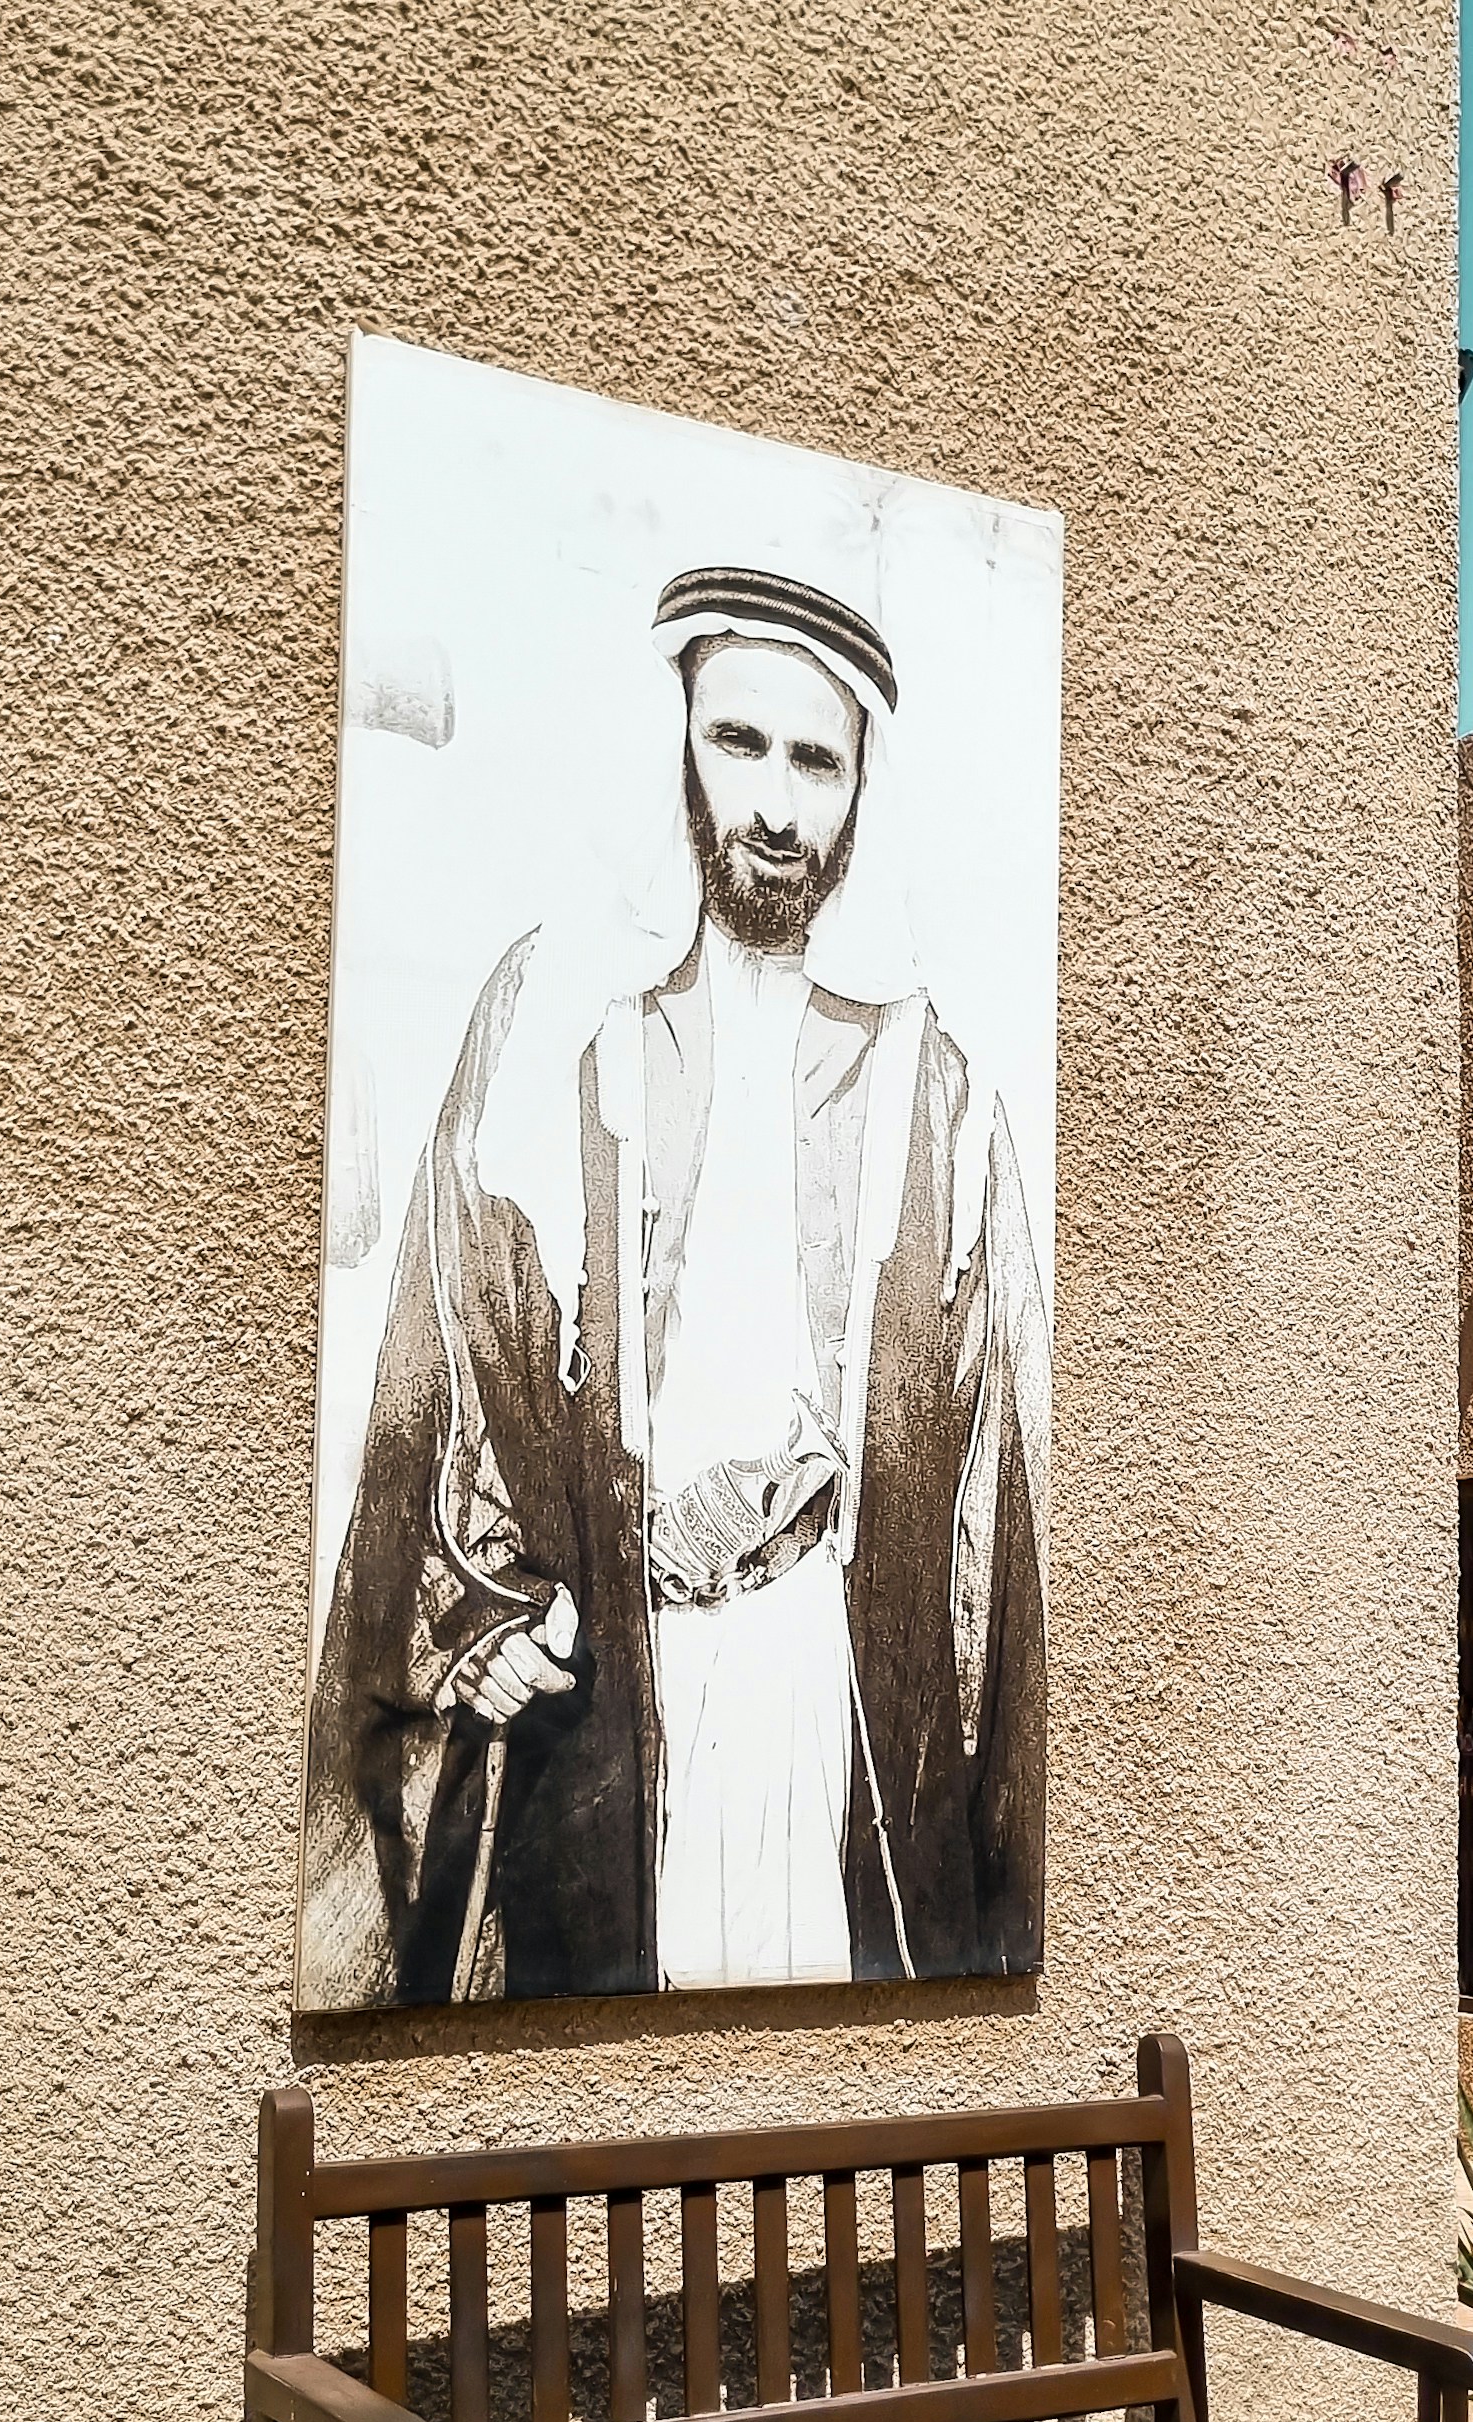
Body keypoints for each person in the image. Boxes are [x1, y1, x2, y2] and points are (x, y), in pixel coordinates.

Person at [301, 564, 1049, 2004]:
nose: (775, 803)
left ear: (859, 790)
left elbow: (982, 1515)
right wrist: (500, 1611)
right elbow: (457, 1366)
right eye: (739, 743)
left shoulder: (936, 1094)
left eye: (815, 760)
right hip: (621, 1706)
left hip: (829, 1713)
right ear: (682, 745)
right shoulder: (552, 1045)